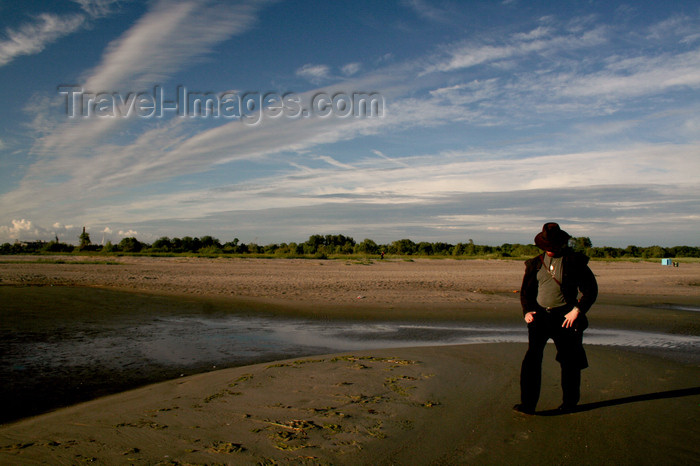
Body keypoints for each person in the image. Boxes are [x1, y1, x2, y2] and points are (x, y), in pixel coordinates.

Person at [513, 222, 598, 415]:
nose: (549, 250)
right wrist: (527, 311)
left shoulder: (575, 261)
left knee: (569, 362)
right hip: (539, 317)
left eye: (552, 246)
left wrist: (577, 310)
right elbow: (526, 292)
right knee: (531, 360)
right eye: (546, 246)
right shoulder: (534, 263)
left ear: (561, 244)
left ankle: (569, 403)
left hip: (565, 317)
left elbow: (590, 290)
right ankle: (528, 405)